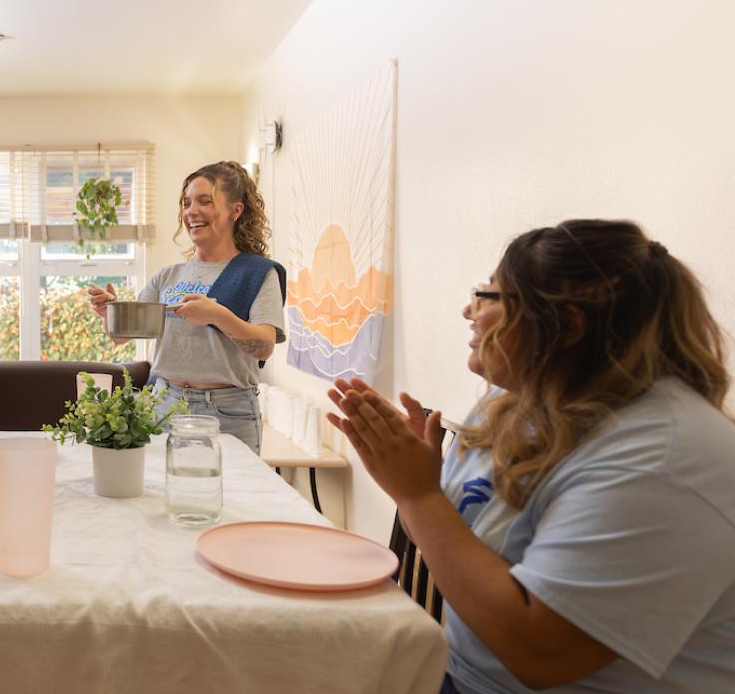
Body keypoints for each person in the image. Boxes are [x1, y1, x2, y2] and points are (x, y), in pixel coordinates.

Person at [325, 220, 735, 693]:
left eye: (488, 296)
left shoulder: (662, 459)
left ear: (567, 325)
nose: (468, 311)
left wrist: (418, 496)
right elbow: (461, 550)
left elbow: (541, 655)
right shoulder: (515, 405)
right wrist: (423, 484)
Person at [87, 161, 285, 452]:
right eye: (186, 203)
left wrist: (217, 315)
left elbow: (264, 346)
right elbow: (121, 336)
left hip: (227, 413)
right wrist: (109, 314)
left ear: (236, 210)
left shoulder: (258, 273)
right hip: (163, 404)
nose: (191, 211)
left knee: (232, 495)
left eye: (204, 201)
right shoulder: (167, 276)